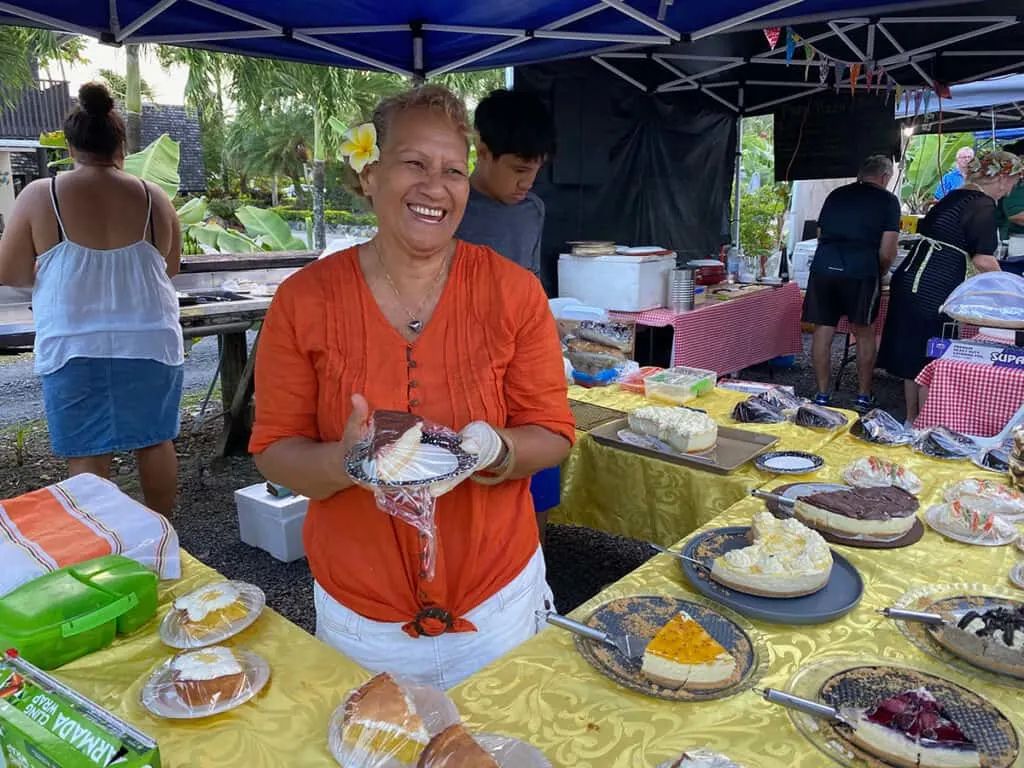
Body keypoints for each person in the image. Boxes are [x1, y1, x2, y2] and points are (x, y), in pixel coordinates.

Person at [249, 85, 574, 690]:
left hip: (499, 607)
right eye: (414, 164)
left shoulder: (513, 292)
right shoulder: (304, 300)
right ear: (369, 174)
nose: (435, 186)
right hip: (362, 625)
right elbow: (274, 450)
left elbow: (553, 432)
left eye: (453, 170)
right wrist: (344, 463)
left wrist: (497, 450)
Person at [0, 82, 183, 515]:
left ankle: (103, 548)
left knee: (86, 450)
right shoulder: (153, 196)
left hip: (73, 344)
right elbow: (169, 268)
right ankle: (162, 535)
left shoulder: (40, 195)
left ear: (70, 144)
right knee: (156, 439)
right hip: (150, 341)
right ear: (120, 143)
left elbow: (10, 272)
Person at [879, 150, 1022, 426]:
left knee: (914, 354)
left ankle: (912, 419)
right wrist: (1014, 291)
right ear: (1002, 178)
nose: (1015, 186)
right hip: (933, 283)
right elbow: (983, 259)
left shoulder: (956, 195)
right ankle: (926, 426)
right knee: (931, 353)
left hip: (914, 276)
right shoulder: (982, 204)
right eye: (1015, 179)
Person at [801, 155, 900, 412]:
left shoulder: (836, 194)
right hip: (860, 270)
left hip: (824, 266)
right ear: (885, 177)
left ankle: (822, 394)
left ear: (861, 174)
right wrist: (879, 272)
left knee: (823, 329)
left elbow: (821, 233)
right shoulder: (888, 200)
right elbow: (888, 251)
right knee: (864, 332)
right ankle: (863, 395)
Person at [454, 88, 555, 278]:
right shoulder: (451, 205)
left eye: (537, 170)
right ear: (483, 151)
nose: (528, 183)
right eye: (519, 170)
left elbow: (531, 280)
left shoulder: (532, 209)